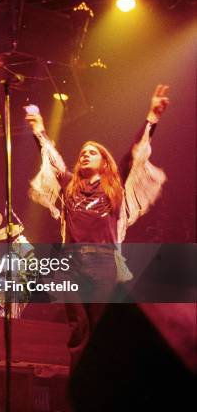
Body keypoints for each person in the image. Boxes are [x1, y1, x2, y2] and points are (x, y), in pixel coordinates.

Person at [26, 85, 170, 369]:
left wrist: (152, 117)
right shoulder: (69, 187)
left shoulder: (114, 188)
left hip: (103, 261)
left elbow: (135, 154)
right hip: (71, 262)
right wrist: (40, 130)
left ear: (105, 163)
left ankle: (104, 387)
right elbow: (51, 159)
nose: (85, 154)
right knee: (79, 328)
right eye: (82, 152)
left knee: (102, 327)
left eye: (92, 152)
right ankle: (79, 385)